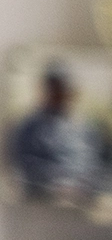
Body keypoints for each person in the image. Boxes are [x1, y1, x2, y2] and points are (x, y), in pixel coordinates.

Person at [11, 64, 103, 201]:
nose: (59, 94)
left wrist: (81, 184)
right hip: (44, 200)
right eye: (55, 89)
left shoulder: (85, 127)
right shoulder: (29, 127)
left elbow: (93, 162)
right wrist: (56, 184)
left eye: (63, 89)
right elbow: (24, 164)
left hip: (81, 200)